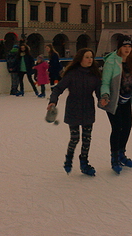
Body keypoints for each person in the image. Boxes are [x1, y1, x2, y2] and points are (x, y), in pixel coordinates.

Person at [47, 48, 102, 176]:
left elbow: (99, 92)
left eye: (91, 57)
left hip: (88, 108)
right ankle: (69, 158)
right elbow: (58, 89)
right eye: (87, 57)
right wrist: (53, 101)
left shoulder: (95, 75)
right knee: (75, 138)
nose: (90, 60)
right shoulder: (72, 73)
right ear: (80, 59)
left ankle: (84, 163)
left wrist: (103, 100)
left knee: (87, 138)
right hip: (73, 108)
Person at [100, 36, 132, 174]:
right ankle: (114, 158)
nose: (127, 49)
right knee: (117, 127)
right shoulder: (111, 61)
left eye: (129, 46)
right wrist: (105, 95)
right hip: (113, 101)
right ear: (119, 47)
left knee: (127, 127)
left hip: (126, 100)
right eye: (124, 46)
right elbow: (105, 82)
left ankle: (121, 154)